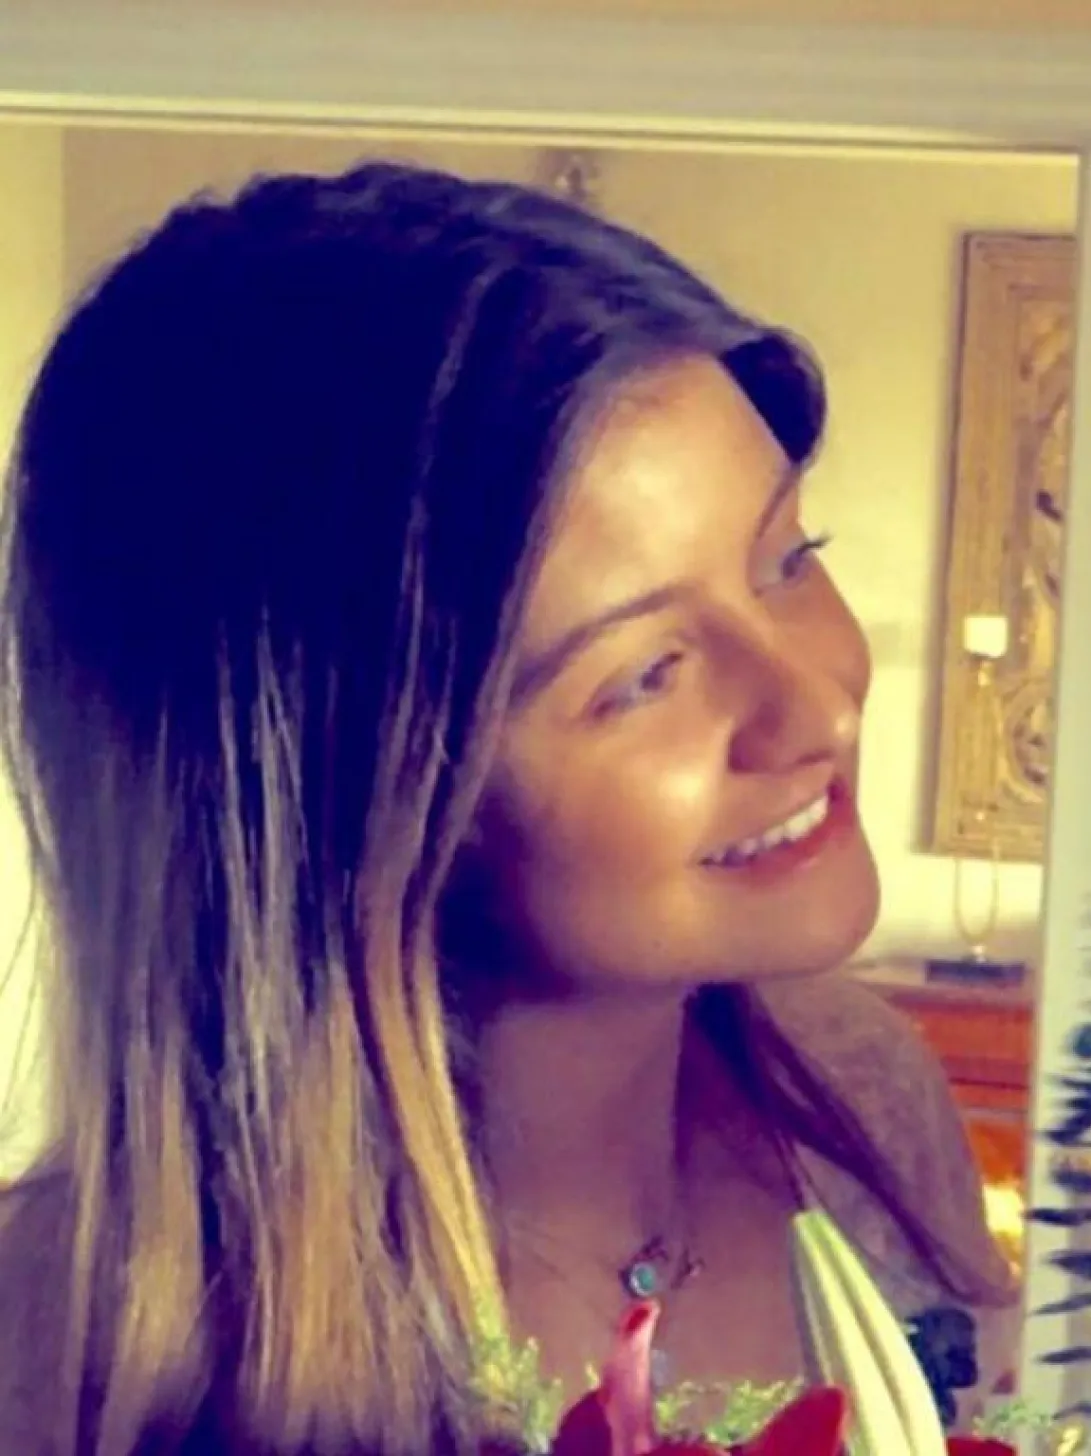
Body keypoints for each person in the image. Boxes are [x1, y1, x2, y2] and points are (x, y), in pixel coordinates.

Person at [0, 160, 1016, 1455]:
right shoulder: (54, 1355)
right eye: (645, 674)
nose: (815, 706)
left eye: (786, 559)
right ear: (356, 807)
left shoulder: (861, 1099)